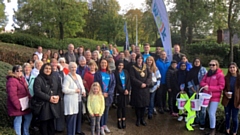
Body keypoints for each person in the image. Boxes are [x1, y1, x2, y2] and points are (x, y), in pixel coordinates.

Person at [33, 63, 61, 135]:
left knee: (51, 124)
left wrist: (58, 96)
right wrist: (49, 98)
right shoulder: (38, 79)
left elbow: (59, 88)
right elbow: (37, 92)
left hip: (53, 105)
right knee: (44, 125)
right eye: (46, 68)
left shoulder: (54, 78)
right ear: (43, 69)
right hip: (43, 105)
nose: (48, 70)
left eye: (49, 68)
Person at [200, 60, 225, 135]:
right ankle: (211, 127)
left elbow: (221, 86)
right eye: (210, 64)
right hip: (206, 97)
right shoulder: (207, 74)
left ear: (217, 65)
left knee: (211, 113)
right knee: (208, 112)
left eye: (213, 65)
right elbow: (202, 82)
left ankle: (212, 130)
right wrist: (205, 85)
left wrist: (210, 88)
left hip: (215, 97)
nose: (211, 66)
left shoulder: (220, 75)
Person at [6, 65, 32, 135]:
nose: (19, 72)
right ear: (14, 72)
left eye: (21, 70)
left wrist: (30, 99)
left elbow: (27, 91)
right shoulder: (12, 80)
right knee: (18, 121)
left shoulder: (22, 79)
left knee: (28, 117)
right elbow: (12, 95)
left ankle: (26, 133)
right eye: (17, 71)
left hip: (25, 104)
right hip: (18, 105)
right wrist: (18, 106)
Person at [62, 62, 86, 135]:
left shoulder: (78, 76)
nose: (73, 69)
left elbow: (82, 86)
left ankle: (77, 131)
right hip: (71, 101)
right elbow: (64, 90)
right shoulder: (67, 77)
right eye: (72, 67)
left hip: (79, 100)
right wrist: (74, 91)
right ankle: (70, 133)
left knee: (78, 117)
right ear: (69, 69)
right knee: (71, 118)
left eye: (75, 67)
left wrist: (84, 91)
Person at [94, 58, 116, 135]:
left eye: (105, 63)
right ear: (100, 64)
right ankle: (100, 127)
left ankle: (104, 125)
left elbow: (113, 84)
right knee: (101, 112)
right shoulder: (97, 73)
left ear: (107, 64)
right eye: (102, 63)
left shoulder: (110, 73)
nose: (104, 64)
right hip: (100, 96)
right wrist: (101, 93)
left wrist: (108, 93)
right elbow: (95, 84)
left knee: (106, 111)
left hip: (108, 96)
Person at [130, 54, 152, 127]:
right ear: (136, 59)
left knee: (144, 105)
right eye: (138, 58)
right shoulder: (133, 68)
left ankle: (142, 119)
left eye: (141, 58)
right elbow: (132, 78)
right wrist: (140, 84)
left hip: (145, 89)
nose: (140, 60)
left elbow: (149, 76)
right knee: (138, 106)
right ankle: (138, 119)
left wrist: (146, 84)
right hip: (137, 89)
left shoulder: (146, 67)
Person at [186, 58, 207, 126]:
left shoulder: (203, 70)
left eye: (198, 61)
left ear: (200, 62)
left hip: (202, 90)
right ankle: (196, 121)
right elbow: (188, 80)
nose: (197, 63)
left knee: (202, 108)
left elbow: (206, 79)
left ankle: (202, 122)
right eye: (195, 61)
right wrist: (192, 89)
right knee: (195, 106)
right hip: (193, 90)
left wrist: (201, 87)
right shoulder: (191, 70)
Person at [221, 62, 240, 135]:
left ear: (236, 68)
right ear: (228, 69)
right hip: (227, 100)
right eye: (230, 67)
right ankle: (227, 130)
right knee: (227, 116)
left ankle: (235, 132)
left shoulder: (239, 78)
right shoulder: (226, 78)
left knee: (235, 118)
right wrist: (225, 93)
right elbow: (224, 88)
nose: (232, 69)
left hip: (236, 101)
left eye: (233, 67)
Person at [114, 60, 131, 129]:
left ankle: (124, 119)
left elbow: (128, 81)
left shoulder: (126, 72)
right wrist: (123, 90)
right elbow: (116, 83)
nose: (120, 67)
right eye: (119, 65)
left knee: (124, 107)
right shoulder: (115, 73)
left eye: (122, 65)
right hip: (119, 92)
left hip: (126, 92)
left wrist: (127, 89)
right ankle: (119, 120)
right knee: (119, 107)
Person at [51, 58, 65, 132]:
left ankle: (60, 128)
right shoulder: (49, 72)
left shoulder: (60, 72)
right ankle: (54, 128)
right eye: (52, 62)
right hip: (52, 95)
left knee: (60, 112)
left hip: (60, 95)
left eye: (55, 62)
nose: (54, 64)